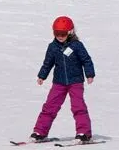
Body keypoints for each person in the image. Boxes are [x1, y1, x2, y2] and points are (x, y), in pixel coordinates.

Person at [30, 16, 96, 144]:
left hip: (75, 81)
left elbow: (86, 60)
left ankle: (84, 133)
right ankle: (40, 132)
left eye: (63, 33)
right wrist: (42, 76)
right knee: (49, 106)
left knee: (78, 106)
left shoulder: (77, 46)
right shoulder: (52, 47)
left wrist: (89, 74)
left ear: (70, 32)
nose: (59, 36)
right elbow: (47, 63)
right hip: (59, 82)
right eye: (56, 33)